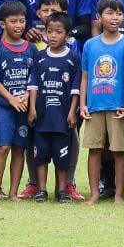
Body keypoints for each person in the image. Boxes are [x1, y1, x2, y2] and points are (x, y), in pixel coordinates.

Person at [79, 0, 124, 205]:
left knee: (119, 151)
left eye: (119, 13)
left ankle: (119, 195)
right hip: (95, 106)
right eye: (110, 13)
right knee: (95, 150)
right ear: (99, 17)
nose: (115, 18)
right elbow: (85, 76)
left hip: (118, 107)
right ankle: (94, 194)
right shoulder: (90, 45)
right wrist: (82, 103)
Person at [27, 12, 81, 203]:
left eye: (58, 32)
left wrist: (72, 112)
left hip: (62, 117)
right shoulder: (40, 57)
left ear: (67, 35)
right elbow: (33, 85)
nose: (53, 36)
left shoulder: (73, 58)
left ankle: (62, 190)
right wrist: (32, 108)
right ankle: (41, 189)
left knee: (62, 157)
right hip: (42, 115)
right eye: (50, 31)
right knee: (40, 155)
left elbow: (75, 89)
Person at [0, 1, 33, 202]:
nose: (18, 25)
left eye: (22, 21)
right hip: (4, 107)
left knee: (19, 148)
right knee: (2, 147)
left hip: (23, 107)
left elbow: (35, 78)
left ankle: (14, 192)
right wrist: (10, 98)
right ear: (3, 24)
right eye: (13, 21)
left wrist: (27, 96)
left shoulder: (31, 49)